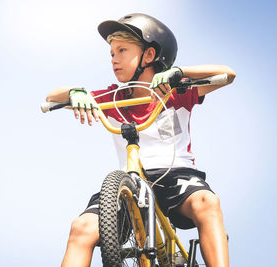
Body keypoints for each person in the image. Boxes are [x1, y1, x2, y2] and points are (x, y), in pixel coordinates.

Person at [46, 13, 236, 267]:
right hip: (131, 180)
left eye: (122, 50)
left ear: (149, 56)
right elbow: (52, 97)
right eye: (112, 53)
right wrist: (74, 92)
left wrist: (178, 73)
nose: (114, 59)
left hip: (175, 174)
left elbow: (228, 73)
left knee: (207, 202)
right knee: (81, 227)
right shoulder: (112, 97)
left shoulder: (176, 90)